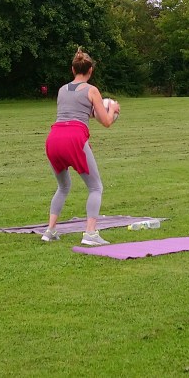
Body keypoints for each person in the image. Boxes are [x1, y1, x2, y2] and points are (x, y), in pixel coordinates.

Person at [42, 48, 120, 246]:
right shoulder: (92, 90)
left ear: (72, 69)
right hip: (74, 138)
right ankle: (90, 234)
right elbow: (106, 121)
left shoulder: (61, 90)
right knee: (95, 187)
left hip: (53, 138)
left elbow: (73, 112)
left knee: (63, 186)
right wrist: (112, 109)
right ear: (90, 70)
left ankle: (50, 230)